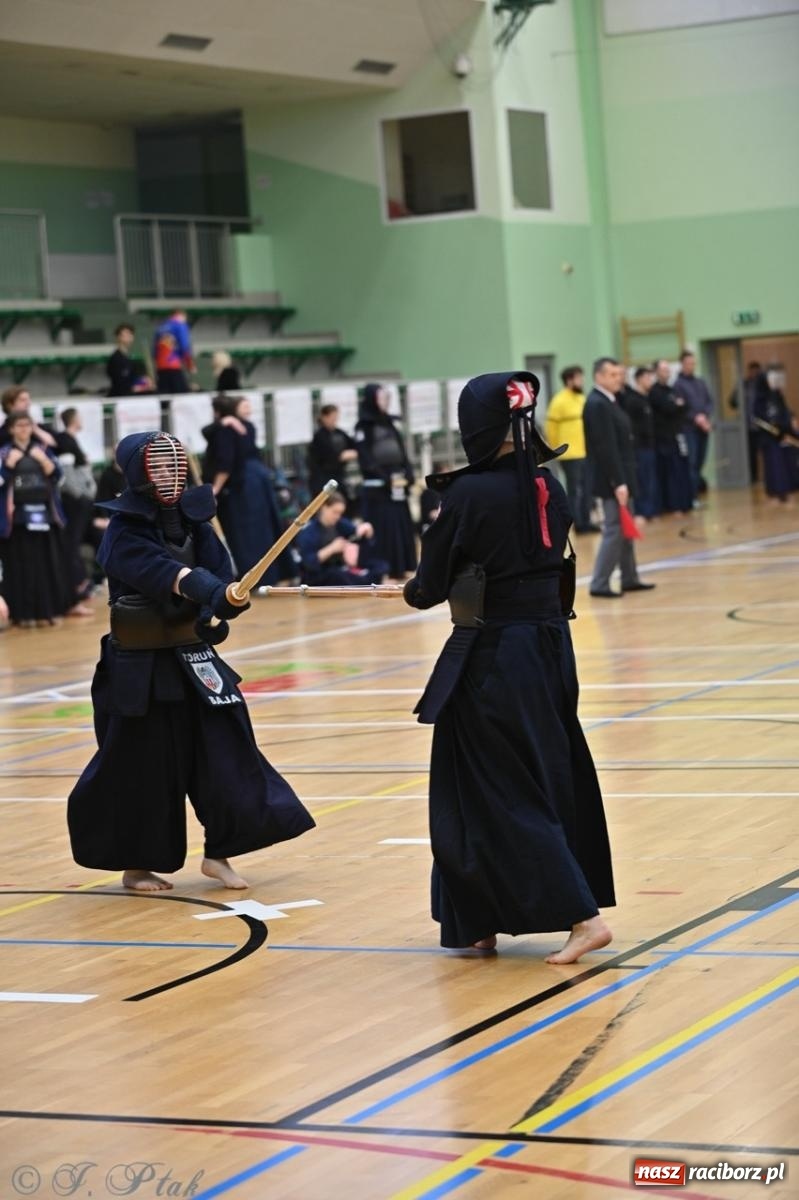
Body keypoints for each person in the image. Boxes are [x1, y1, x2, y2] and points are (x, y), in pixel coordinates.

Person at [403, 371, 614, 962]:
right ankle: (477, 917)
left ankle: (582, 916)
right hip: (549, 650)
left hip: (496, 656)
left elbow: (430, 584)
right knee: (518, 774)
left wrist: (416, 588)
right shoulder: (550, 486)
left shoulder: (467, 495)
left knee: (494, 784)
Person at [66, 431, 315, 892]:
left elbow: (218, 574)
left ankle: (219, 853)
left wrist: (219, 610)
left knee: (228, 746)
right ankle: (137, 865)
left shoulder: (195, 520)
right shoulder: (123, 532)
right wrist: (209, 592)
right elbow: (164, 574)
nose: (169, 475)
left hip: (193, 658)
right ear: (139, 472)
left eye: (175, 465)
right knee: (140, 765)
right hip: (140, 669)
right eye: (159, 467)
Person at [202, 394, 294, 585]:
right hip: (255, 482)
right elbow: (207, 431)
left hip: (244, 486)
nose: (248, 410)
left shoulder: (231, 429)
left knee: (249, 533)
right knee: (264, 529)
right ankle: (272, 575)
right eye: (243, 406)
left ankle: (257, 579)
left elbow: (226, 463)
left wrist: (215, 488)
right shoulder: (235, 427)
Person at [583, 358, 655, 598]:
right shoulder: (597, 404)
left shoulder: (611, 401)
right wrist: (618, 482)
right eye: (613, 374)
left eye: (620, 374)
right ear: (600, 376)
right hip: (612, 480)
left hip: (623, 475)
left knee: (626, 529)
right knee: (614, 529)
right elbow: (606, 447)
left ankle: (629, 577)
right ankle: (600, 582)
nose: (618, 378)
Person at [0, 411, 69, 627]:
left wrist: (47, 465)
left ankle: (48, 612)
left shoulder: (44, 450)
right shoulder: (4, 453)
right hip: (17, 519)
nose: (23, 429)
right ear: (11, 429)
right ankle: (22, 615)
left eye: (27, 425)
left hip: (45, 516)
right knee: (20, 566)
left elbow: (60, 477)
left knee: (46, 565)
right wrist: (8, 466)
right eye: (19, 425)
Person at [355, 384, 417, 579]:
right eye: (381, 398)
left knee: (402, 522)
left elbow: (402, 451)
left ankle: (403, 565)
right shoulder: (363, 426)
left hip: (397, 483)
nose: (385, 402)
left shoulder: (390, 423)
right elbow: (365, 458)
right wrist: (384, 478)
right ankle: (385, 566)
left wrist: (408, 473)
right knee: (385, 526)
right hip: (379, 488)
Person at [544, 365, 597, 533]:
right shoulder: (559, 401)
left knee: (588, 488)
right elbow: (550, 428)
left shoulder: (581, 398)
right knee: (575, 490)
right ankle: (578, 524)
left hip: (585, 451)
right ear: (569, 380)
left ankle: (587, 521)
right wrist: (555, 449)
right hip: (570, 454)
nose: (582, 381)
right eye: (579, 378)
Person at [296, 491, 388, 586]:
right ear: (323, 507)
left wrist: (367, 531)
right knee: (337, 576)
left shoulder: (340, 523)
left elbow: (358, 534)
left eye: (340, 513)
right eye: (335, 512)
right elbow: (309, 562)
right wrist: (332, 549)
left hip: (341, 567)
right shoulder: (309, 531)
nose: (337, 516)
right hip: (321, 573)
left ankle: (361, 580)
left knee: (380, 565)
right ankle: (362, 582)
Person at [55, 408, 95, 613]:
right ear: (73, 419)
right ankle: (75, 590)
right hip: (75, 502)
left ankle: (80, 588)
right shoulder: (65, 441)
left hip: (80, 501)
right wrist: (82, 495)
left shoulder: (70, 440)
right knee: (71, 545)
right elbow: (68, 475)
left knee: (75, 545)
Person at [649, 359, 692, 516]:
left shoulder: (671, 390)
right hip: (663, 439)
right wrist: (676, 406)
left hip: (676, 435)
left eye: (668, 369)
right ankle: (672, 506)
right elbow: (669, 408)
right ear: (656, 372)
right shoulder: (654, 392)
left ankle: (684, 502)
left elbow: (685, 406)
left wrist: (678, 406)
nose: (667, 372)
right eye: (664, 369)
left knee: (681, 469)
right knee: (670, 473)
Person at [753, 364, 798, 505]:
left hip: (782, 435)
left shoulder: (778, 396)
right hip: (769, 438)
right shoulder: (759, 399)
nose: (773, 383)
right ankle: (775, 493)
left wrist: (787, 429)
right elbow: (758, 417)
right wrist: (773, 429)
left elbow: (785, 412)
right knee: (774, 465)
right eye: (770, 380)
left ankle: (787, 491)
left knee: (785, 465)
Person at [618, 365, 658, 520]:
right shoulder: (631, 400)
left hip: (650, 445)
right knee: (641, 479)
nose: (650, 381)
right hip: (639, 447)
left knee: (650, 480)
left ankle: (650, 510)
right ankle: (641, 511)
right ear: (639, 379)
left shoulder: (645, 399)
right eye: (647, 378)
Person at [673, 350, 713, 501]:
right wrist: (696, 418)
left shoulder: (700, 382)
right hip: (689, 430)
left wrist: (705, 417)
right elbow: (681, 408)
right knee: (691, 463)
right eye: (689, 363)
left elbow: (709, 402)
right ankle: (691, 497)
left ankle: (696, 493)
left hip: (703, 429)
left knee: (700, 463)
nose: (692, 366)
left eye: (693, 363)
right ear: (682, 364)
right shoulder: (678, 385)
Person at [307, 404, 359, 502]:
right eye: (332, 417)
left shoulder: (339, 432)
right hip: (322, 477)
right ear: (324, 417)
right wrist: (342, 456)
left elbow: (353, 445)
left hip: (339, 475)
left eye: (336, 417)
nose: (334, 420)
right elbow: (329, 455)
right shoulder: (319, 436)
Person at [153, 309, 194, 393]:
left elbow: (154, 352)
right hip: (174, 365)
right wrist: (190, 364)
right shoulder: (180, 325)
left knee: (164, 397)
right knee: (181, 395)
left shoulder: (160, 327)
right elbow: (184, 346)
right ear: (181, 315)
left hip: (161, 368)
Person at [106, 324, 154, 397]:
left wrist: (144, 381)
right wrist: (138, 388)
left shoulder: (129, 359)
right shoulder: (115, 359)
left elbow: (133, 378)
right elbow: (120, 384)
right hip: (121, 396)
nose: (130, 335)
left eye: (131, 333)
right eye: (126, 333)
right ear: (118, 337)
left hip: (130, 394)